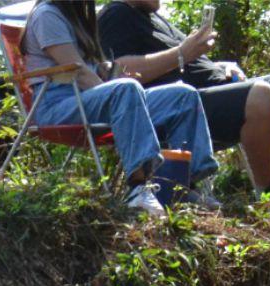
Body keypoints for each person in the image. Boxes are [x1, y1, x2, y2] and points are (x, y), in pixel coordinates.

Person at [97, 0, 270, 215]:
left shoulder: (154, 18)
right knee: (261, 95)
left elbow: (187, 62)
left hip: (213, 93)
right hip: (183, 109)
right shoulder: (117, 14)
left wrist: (220, 66)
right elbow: (119, 72)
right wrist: (182, 53)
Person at [21, 0, 217, 218]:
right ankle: (139, 188)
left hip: (86, 99)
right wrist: (116, 91)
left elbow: (97, 69)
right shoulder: (46, 14)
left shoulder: (76, 17)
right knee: (125, 89)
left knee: (182, 95)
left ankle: (185, 186)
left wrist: (113, 76)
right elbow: (80, 72)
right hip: (57, 107)